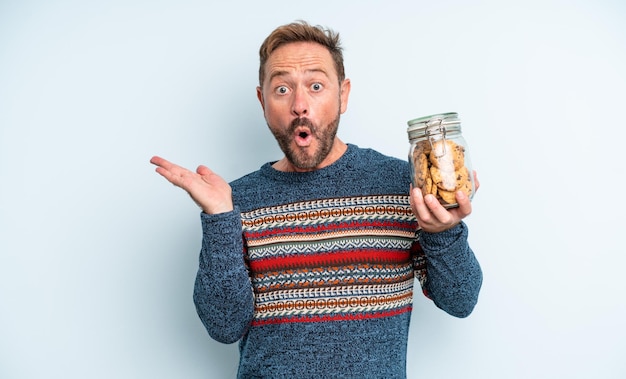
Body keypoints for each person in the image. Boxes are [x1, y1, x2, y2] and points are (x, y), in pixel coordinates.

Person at [150, 20, 482, 378]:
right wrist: (219, 218)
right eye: (281, 89)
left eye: (316, 85)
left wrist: (443, 231)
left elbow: (460, 300)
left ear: (344, 94)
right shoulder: (234, 201)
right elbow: (224, 326)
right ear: (262, 101)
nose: (300, 105)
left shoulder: (403, 185)